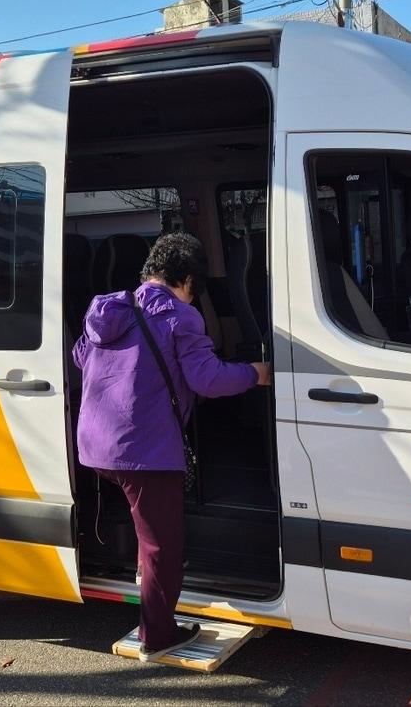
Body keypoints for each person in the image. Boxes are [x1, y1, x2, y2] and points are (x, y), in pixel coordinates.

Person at [72, 232, 271, 662]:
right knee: (165, 544)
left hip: (95, 443)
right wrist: (256, 373)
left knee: (149, 530)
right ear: (185, 279)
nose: (193, 296)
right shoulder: (180, 317)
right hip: (143, 451)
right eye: (194, 287)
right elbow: (208, 380)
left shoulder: (107, 308)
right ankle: (157, 635)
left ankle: (147, 585)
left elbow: (79, 357)